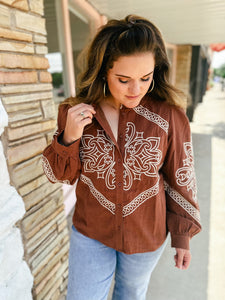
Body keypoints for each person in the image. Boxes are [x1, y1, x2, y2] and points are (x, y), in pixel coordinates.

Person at [42, 15, 201, 300]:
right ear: (104, 71)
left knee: (130, 296)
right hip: (91, 233)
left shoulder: (169, 118)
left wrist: (183, 236)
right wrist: (69, 137)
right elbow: (59, 175)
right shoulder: (76, 112)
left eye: (145, 78)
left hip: (146, 236)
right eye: (124, 79)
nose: (136, 89)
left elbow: (181, 177)